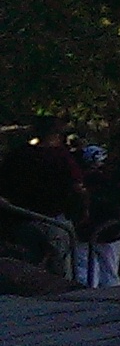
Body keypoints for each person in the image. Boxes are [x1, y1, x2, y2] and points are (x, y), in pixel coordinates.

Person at [0, 116, 83, 280]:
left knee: (27, 268)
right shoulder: (62, 158)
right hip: (55, 221)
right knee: (61, 270)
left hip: (23, 219)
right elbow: (77, 188)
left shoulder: (18, 155)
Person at [74, 141, 120, 288]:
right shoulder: (115, 183)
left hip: (88, 231)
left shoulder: (80, 182)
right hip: (109, 231)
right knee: (109, 271)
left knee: (85, 270)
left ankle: (88, 295)